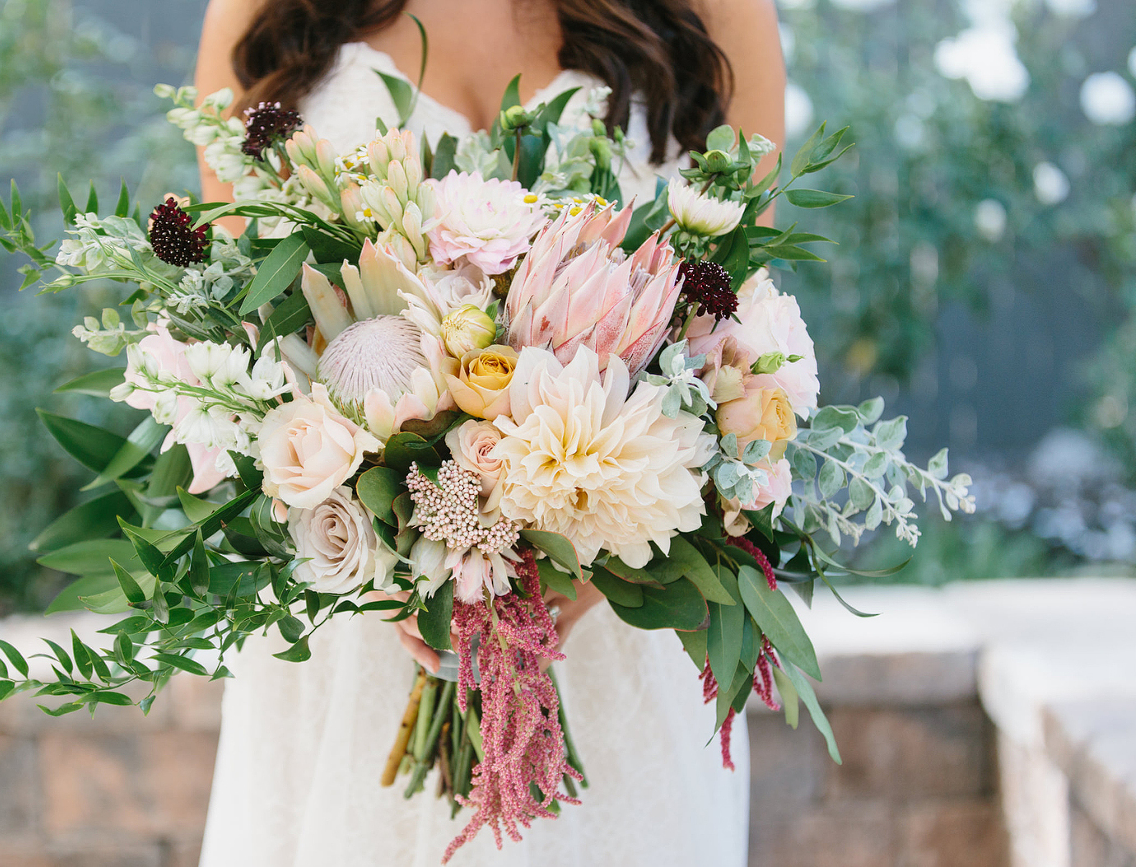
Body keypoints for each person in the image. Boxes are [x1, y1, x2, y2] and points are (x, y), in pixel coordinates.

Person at [193, 2, 785, 864]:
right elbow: (245, 322)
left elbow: (744, 334)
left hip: (618, 603)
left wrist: (593, 558)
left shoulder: (718, 10)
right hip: (354, 614)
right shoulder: (261, 11)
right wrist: (394, 538)